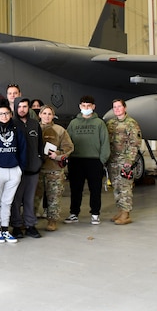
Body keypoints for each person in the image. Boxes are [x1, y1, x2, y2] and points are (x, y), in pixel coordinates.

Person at [64, 95, 110, 225]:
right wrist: (67, 156)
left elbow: (105, 142)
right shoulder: (73, 123)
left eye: (89, 106)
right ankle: (74, 213)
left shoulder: (99, 123)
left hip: (94, 161)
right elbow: (67, 142)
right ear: (80, 107)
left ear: (93, 107)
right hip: (76, 161)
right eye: (84, 106)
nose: (86, 108)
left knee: (95, 189)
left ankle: (95, 214)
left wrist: (102, 159)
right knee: (75, 189)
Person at [0, 101, 26, 244]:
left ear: (10, 114)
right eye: (1, 113)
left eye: (6, 113)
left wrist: (20, 169)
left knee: (7, 202)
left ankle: (5, 229)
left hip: (13, 170)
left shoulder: (17, 129)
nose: (4, 116)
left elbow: (23, 149)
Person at [10, 97, 44, 239]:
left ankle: (30, 225)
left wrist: (40, 160)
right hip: (17, 169)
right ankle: (17, 226)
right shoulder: (12, 124)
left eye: (25, 106)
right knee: (16, 199)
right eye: (19, 107)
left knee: (30, 198)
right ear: (15, 108)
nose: (22, 109)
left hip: (33, 168)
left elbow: (40, 144)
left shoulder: (34, 124)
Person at [36, 105, 74, 231]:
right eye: (44, 113)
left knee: (54, 197)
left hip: (54, 170)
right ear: (40, 115)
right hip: (37, 170)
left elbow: (69, 147)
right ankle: (29, 220)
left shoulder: (60, 130)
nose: (47, 116)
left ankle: (52, 221)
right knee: (33, 197)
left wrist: (57, 154)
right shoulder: (34, 129)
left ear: (53, 116)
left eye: (49, 114)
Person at [105, 99, 142, 225]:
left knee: (125, 187)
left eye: (119, 106)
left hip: (124, 161)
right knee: (116, 187)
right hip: (112, 160)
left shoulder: (131, 123)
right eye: (114, 107)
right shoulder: (110, 123)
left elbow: (135, 143)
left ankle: (126, 214)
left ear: (124, 108)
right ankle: (120, 211)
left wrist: (129, 160)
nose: (117, 109)